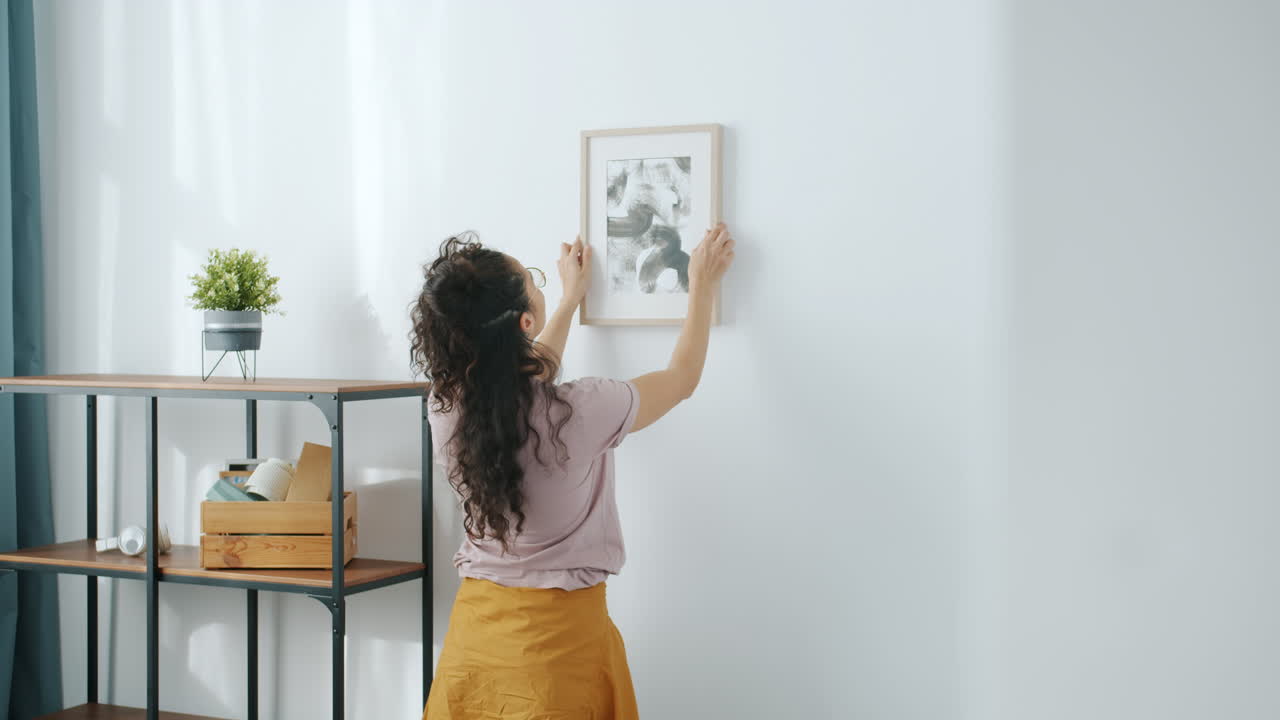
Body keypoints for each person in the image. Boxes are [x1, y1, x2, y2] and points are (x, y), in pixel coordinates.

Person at [410, 223, 735, 719]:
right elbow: (681, 378)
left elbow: (519, 375)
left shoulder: (446, 406)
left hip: (475, 644)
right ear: (524, 322)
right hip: (560, 653)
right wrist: (703, 284)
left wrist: (567, 301)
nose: (538, 283)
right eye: (532, 280)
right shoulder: (582, 410)